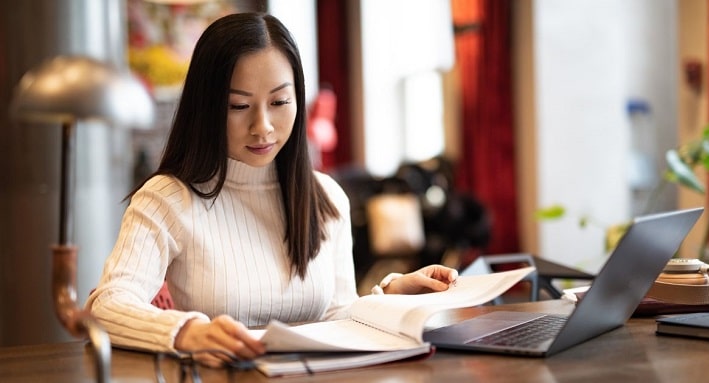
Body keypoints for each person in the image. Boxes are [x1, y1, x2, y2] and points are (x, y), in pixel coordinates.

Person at [86, 12, 458, 368]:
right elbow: (108, 304)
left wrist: (392, 296)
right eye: (239, 105)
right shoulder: (167, 198)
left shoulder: (326, 197)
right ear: (207, 107)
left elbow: (335, 316)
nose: (262, 126)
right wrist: (188, 333)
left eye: (280, 102)